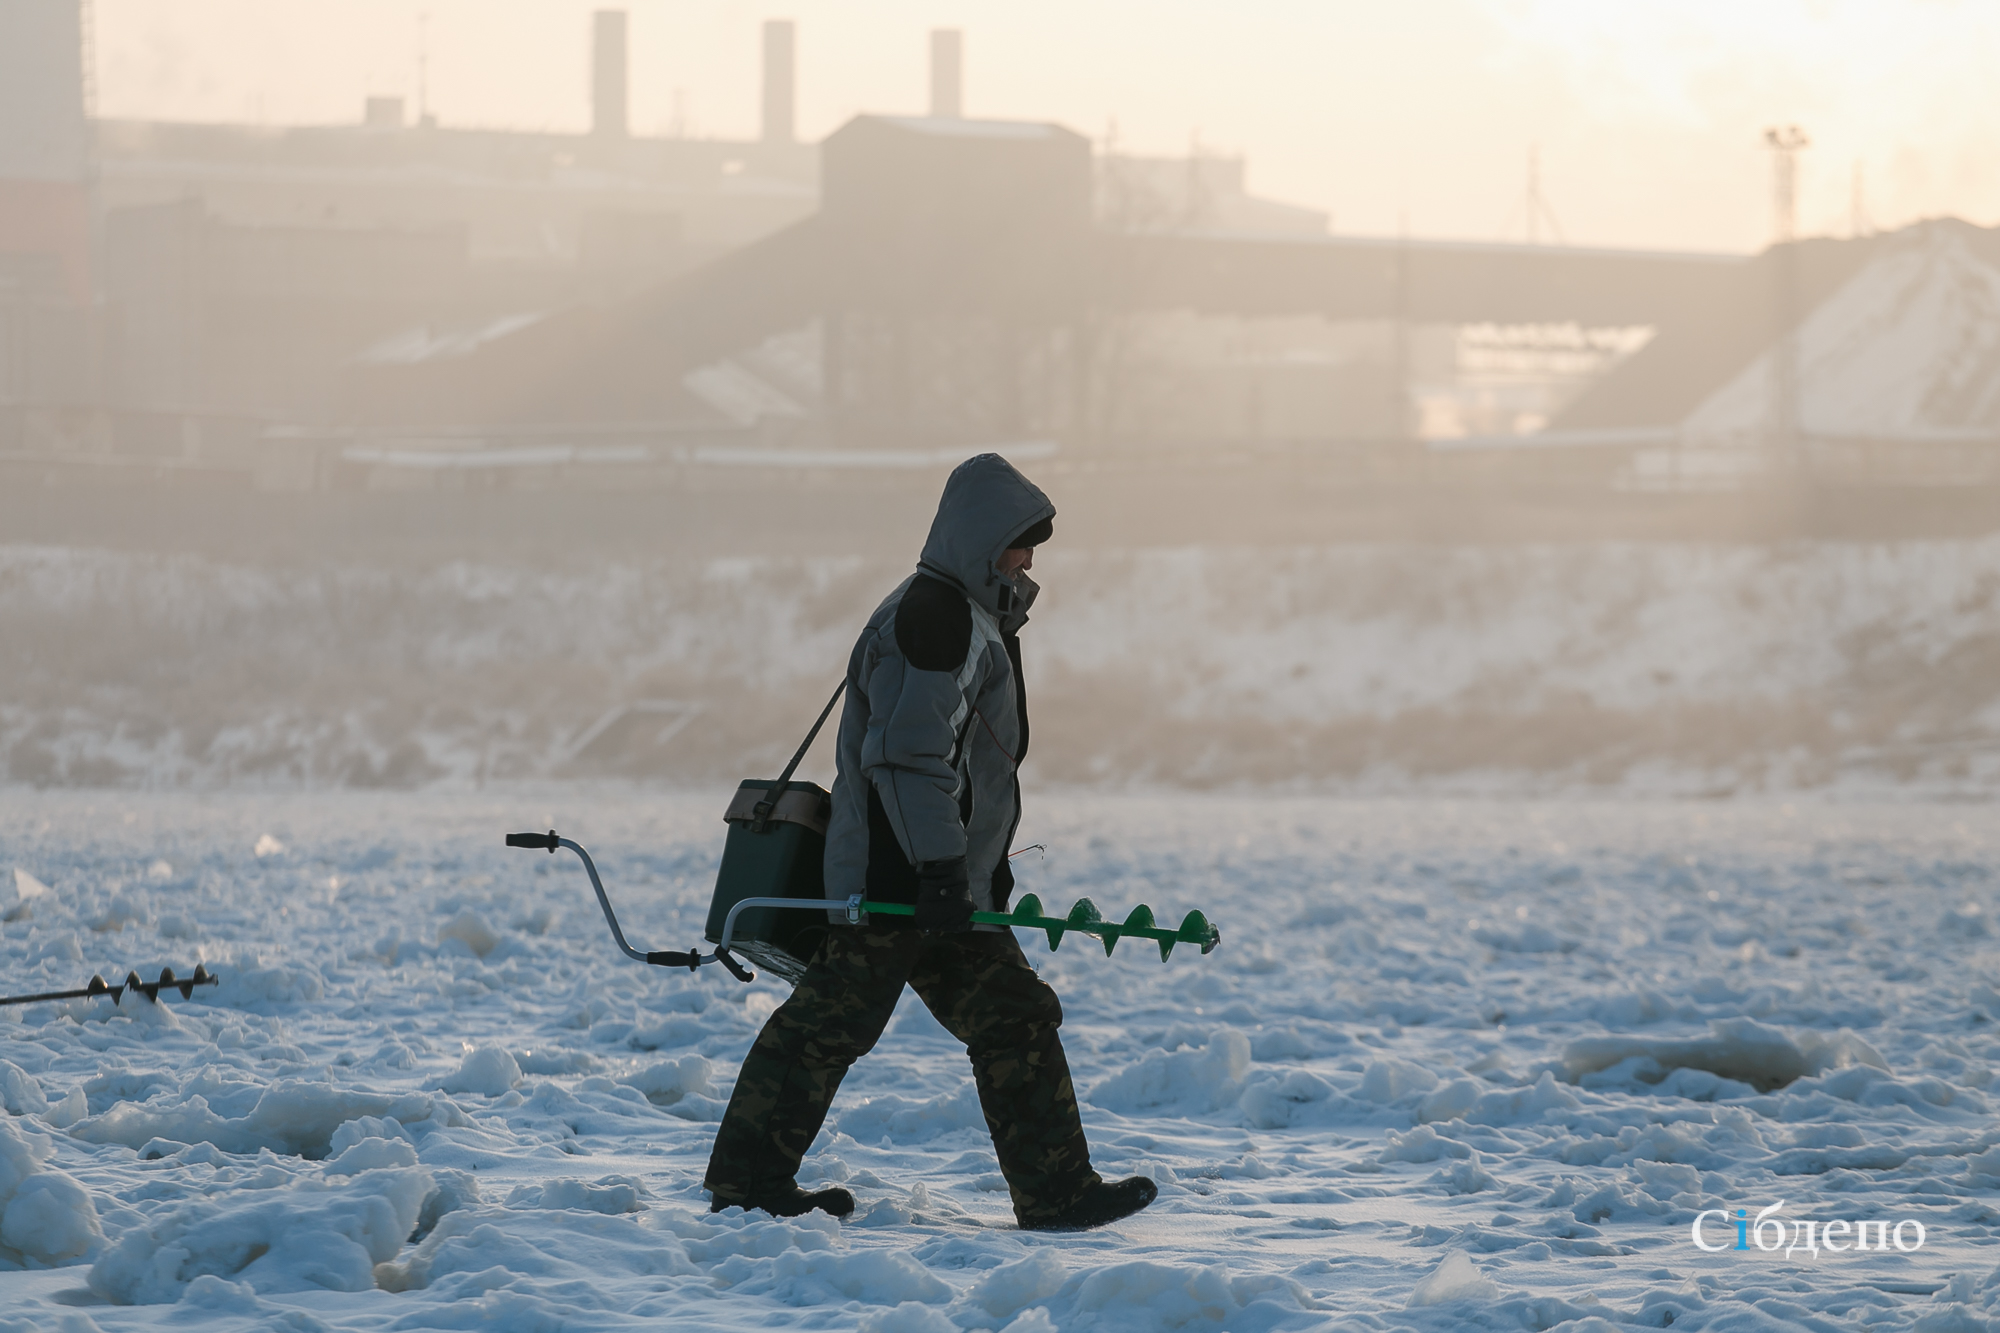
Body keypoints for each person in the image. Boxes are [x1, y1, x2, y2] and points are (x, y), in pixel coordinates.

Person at [703, 452, 1157, 1232]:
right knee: (826, 1028)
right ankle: (746, 1186)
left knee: (1011, 1015)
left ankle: (1057, 1192)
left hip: (938, 883)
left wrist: (973, 876)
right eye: (1020, 542)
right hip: (899, 880)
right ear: (982, 540)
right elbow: (908, 757)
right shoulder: (936, 618)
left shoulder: (967, 613)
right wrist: (943, 869)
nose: (1029, 558)